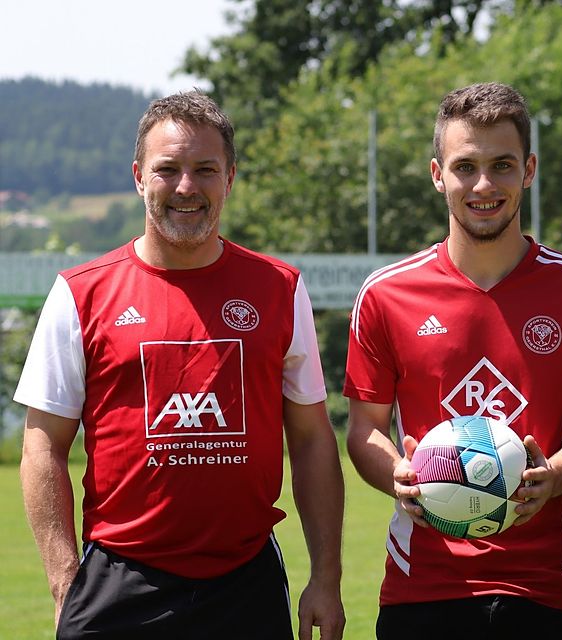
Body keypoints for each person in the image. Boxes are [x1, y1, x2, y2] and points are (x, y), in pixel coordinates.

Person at [15, 90, 345, 640]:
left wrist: (327, 579)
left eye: (205, 170)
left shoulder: (280, 290)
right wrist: (64, 583)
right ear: (139, 176)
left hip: (245, 581)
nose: (187, 187)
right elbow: (42, 445)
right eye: (168, 169)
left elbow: (312, 439)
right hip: (119, 580)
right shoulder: (80, 293)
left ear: (230, 178)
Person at [343, 82, 562, 639]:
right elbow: (364, 432)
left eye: (502, 164)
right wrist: (397, 474)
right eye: (465, 166)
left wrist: (553, 475)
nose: (483, 185)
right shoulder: (385, 294)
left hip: (548, 589)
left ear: (530, 169)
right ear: (436, 173)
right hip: (421, 585)